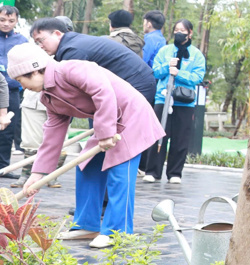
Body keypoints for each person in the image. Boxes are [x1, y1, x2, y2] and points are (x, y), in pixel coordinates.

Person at [11, 43, 163, 248]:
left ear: (35, 70)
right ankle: (87, 225)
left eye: (21, 80)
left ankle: (118, 232)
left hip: (131, 116)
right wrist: (37, 174)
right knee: (87, 167)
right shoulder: (48, 96)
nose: (22, 87)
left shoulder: (71, 69)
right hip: (109, 122)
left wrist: (107, 132)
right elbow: (53, 134)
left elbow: (103, 92)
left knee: (119, 172)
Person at [30, 18, 156, 107]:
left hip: (136, 84)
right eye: (36, 43)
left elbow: (73, 92)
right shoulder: (71, 44)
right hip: (132, 83)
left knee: (123, 134)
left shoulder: (72, 50)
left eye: (41, 40)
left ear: (57, 34)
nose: (40, 46)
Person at [145, 19, 206, 184]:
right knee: (159, 136)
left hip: (184, 102)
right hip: (162, 99)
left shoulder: (196, 55)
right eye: (177, 29)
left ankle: (175, 173)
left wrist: (180, 73)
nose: (179, 33)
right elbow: (155, 72)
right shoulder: (165, 51)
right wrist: (167, 66)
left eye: (183, 30)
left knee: (180, 139)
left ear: (190, 33)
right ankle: (152, 171)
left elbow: (197, 77)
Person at [0, 5, 27, 174]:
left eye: (11, 21)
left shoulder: (21, 40)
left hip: (12, 91)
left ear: (17, 21)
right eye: (2, 20)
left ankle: (3, 166)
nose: (6, 24)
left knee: (8, 129)